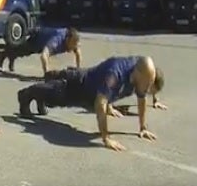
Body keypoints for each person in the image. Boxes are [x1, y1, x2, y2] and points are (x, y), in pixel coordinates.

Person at [17, 56, 167, 151]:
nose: (148, 88)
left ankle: (56, 79)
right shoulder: (115, 74)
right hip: (82, 87)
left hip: (93, 87)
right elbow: (100, 104)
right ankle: (27, 94)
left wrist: (142, 128)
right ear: (138, 73)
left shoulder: (141, 77)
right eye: (147, 83)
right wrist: (106, 138)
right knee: (56, 97)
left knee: (54, 97)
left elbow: (141, 99)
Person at [0, 27, 81, 74]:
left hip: (42, 40)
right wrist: (47, 73)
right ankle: (2, 55)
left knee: (20, 52)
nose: (74, 47)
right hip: (36, 38)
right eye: (73, 44)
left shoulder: (72, 39)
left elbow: (78, 54)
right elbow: (44, 56)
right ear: (67, 39)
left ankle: (12, 57)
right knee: (22, 51)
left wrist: (78, 69)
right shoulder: (56, 40)